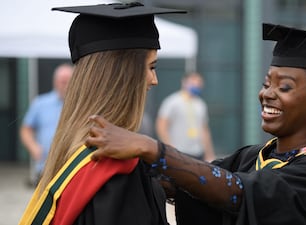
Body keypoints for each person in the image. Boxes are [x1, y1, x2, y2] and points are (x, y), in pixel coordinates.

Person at [84, 23, 306, 225]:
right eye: (267, 84)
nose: (267, 94)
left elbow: (237, 192)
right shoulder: (255, 156)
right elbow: (194, 183)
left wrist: (152, 149)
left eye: (285, 87)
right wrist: (125, 171)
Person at [19, 3, 185, 225]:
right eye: (151, 67)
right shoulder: (116, 171)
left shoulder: (73, 156)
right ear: (122, 76)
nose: (154, 80)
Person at [20, 63, 73, 186]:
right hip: (45, 168)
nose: (64, 86)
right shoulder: (40, 103)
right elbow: (26, 130)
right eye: (62, 81)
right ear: (55, 82)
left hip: (71, 168)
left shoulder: (81, 105)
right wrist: (33, 147)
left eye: (67, 81)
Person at [156, 72, 215, 161]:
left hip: (198, 152)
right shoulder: (172, 102)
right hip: (179, 152)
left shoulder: (201, 104)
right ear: (184, 82)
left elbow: (204, 130)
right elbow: (161, 126)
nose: (196, 85)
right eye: (193, 82)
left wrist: (209, 153)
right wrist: (170, 149)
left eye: (199, 83)